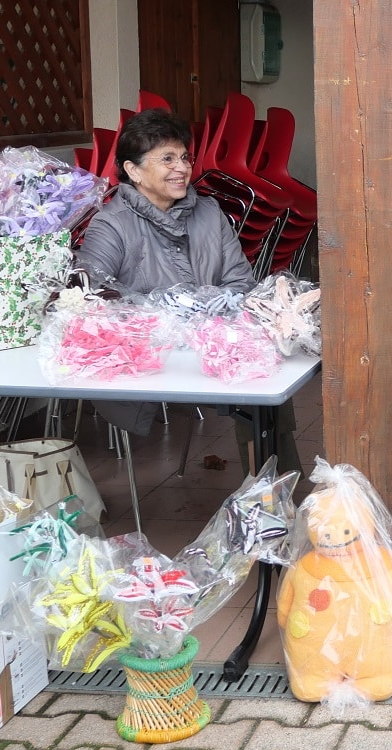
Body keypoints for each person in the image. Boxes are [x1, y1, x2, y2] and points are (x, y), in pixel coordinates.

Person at [75, 109, 302, 477]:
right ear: (133, 170)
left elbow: (241, 283)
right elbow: (94, 298)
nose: (181, 168)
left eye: (184, 157)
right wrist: (169, 318)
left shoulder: (209, 212)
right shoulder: (111, 224)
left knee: (263, 373)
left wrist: (212, 323)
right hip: (151, 354)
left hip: (213, 345)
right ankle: (270, 492)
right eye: (167, 159)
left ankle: (270, 492)